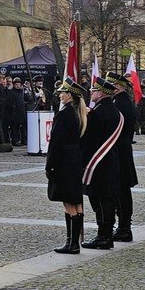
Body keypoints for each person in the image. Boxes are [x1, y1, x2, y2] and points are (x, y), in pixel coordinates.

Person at [80, 78, 125, 249]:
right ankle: (106, 234)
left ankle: (103, 237)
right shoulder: (114, 111)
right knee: (107, 200)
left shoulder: (98, 113)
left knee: (100, 201)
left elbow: (89, 141)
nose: (91, 92)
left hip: (98, 163)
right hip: (110, 160)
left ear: (100, 93)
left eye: (93, 90)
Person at [49, 77, 88, 254]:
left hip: (64, 162)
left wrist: (50, 165)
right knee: (76, 201)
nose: (60, 95)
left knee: (68, 202)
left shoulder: (64, 114)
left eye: (63, 92)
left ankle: (71, 243)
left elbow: (55, 143)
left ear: (70, 95)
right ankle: (73, 242)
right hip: (74, 160)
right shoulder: (77, 114)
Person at [107, 72, 139, 240]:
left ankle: (124, 228)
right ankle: (123, 227)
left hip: (120, 151)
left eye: (110, 85)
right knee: (121, 190)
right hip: (122, 150)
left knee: (121, 191)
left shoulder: (120, 104)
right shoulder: (121, 101)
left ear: (118, 86)